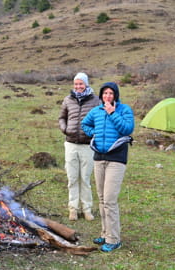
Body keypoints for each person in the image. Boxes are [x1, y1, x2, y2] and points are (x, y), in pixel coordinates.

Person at [81, 82, 134, 252]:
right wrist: (93, 134)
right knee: (102, 198)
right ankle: (105, 234)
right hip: (99, 158)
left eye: (111, 93)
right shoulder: (96, 111)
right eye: (105, 93)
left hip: (116, 159)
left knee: (110, 200)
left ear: (116, 95)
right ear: (101, 95)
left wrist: (112, 113)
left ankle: (114, 239)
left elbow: (127, 129)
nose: (108, 96)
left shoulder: (124, 110)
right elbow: (84, 124)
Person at [58, 72, 100, 221]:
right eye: (76, 84)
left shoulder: (96, 101)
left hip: (87, 145)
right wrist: (65, 129)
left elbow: (100, 120)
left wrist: (94, 133)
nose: (78, 86)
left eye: (81, 83)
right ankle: (73, 209)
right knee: (72, 178)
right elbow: (61, 117)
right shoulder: (68, 100)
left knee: (85, 178)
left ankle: (87, 209)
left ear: (86, 84)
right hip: (70, 144)